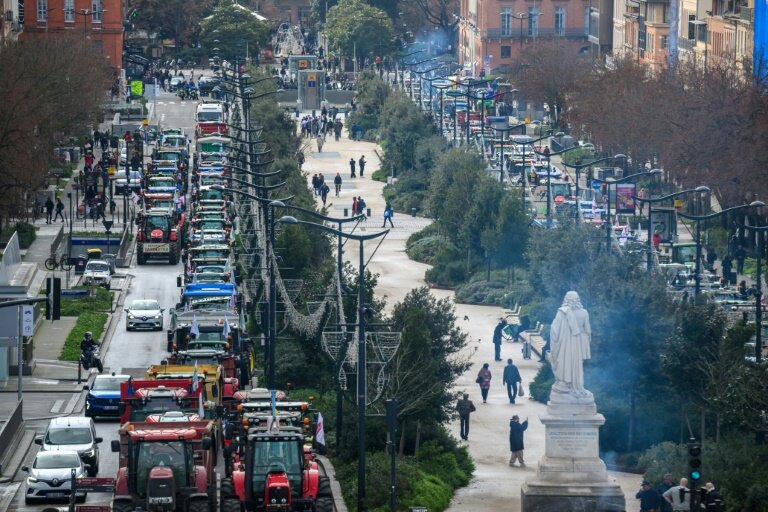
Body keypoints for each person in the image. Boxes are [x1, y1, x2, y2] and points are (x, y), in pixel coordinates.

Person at [549, 291, 592, 398]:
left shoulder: (562, 312)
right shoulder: (584, 313)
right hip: (578, 344)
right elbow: (588, 332)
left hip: (564, 345)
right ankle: (576, 385)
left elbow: (555, 331)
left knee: (564, 361)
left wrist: (555, 341)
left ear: (566, 300)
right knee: (576, 364)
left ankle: (564, 383)